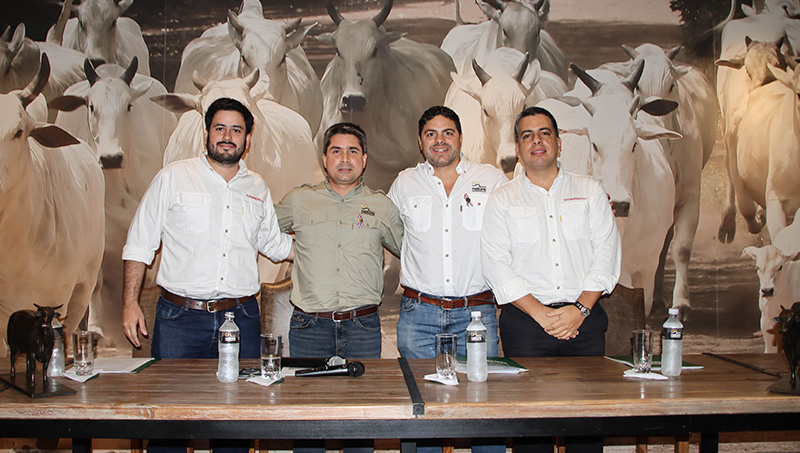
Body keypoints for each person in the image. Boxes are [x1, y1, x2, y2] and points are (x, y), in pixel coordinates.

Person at [121, 97, 293, 453]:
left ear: (248, 139)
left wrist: (330, 243)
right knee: (170, 425)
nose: (227, 137)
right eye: (220, 128)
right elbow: (139, 243)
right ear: (206, 133)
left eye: (236, 130)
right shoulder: (173, 177)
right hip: (180, 320)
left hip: (242, 319)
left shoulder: (257, 187)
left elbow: (275, 245)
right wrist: (129, 303)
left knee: (236, 424)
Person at [481, 106, 622, 453]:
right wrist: (541, 314)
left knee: (586, 430)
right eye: (527, 136)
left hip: (584, 323)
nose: (536, 141)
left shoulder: (589, 190)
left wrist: (580, 310)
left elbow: (606, 254)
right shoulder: (501, 200)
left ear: (559, 143)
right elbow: (496, 265)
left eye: (544, 133)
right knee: (533, 433)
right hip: (526, 326)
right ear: (517, 148)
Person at [388, 106, 508, 453]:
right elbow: (390, 233)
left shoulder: (492, 179)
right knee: (423, 410)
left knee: (483, 407)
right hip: (419, 316)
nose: (439, 141)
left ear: (460, 138)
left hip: (476, 316)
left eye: (447, 133)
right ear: (420, 142)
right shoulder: (404, 183)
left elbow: (520, 218)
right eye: (431, 134)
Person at [275, 122, 403, 360]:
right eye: (336, 151)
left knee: (364, 387)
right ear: (325, 159)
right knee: (308, 386)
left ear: (364, 159)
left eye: (352, 151)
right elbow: (262, 231)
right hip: (309, 327)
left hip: (362, 328)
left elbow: (410, 251)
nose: (345, 159)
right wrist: (289, 250)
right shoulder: (298, 200)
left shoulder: (382, 206)